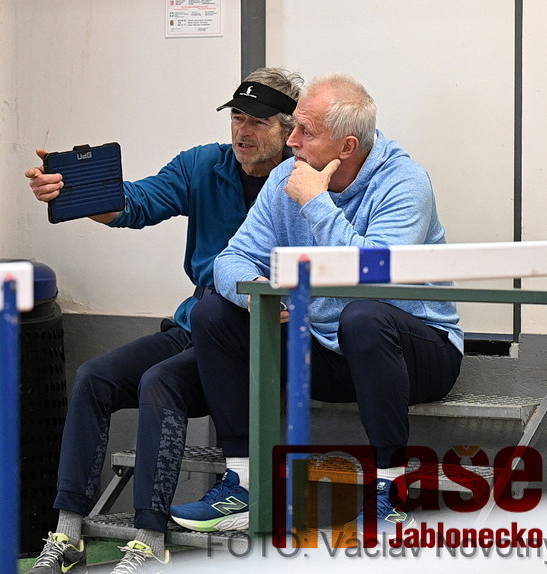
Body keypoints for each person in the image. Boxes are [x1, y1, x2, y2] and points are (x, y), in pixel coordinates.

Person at [23, 67, 304, 574]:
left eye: (258, 121)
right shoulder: (203, 164)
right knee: (93, 378)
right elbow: (136, 202)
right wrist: (73, 189)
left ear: (289, 129)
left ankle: (149, 539)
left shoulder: (305, 180)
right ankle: (68, 531)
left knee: (160, 382)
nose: (242, 131)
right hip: (198, 322)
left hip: (260, 336)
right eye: (237, 117)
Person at [169, 73, 464, 541]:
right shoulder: (288, 175)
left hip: (415, 354)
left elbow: (373, 276)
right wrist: (255, 292)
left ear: (347, 147)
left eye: (305, 131)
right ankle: (244, 484)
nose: (292, 141)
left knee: (362, 316)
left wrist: (316, 203)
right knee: (214, 311)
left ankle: (390, 493)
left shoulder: (405, 182)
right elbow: (231, 258)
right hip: (324, 350)